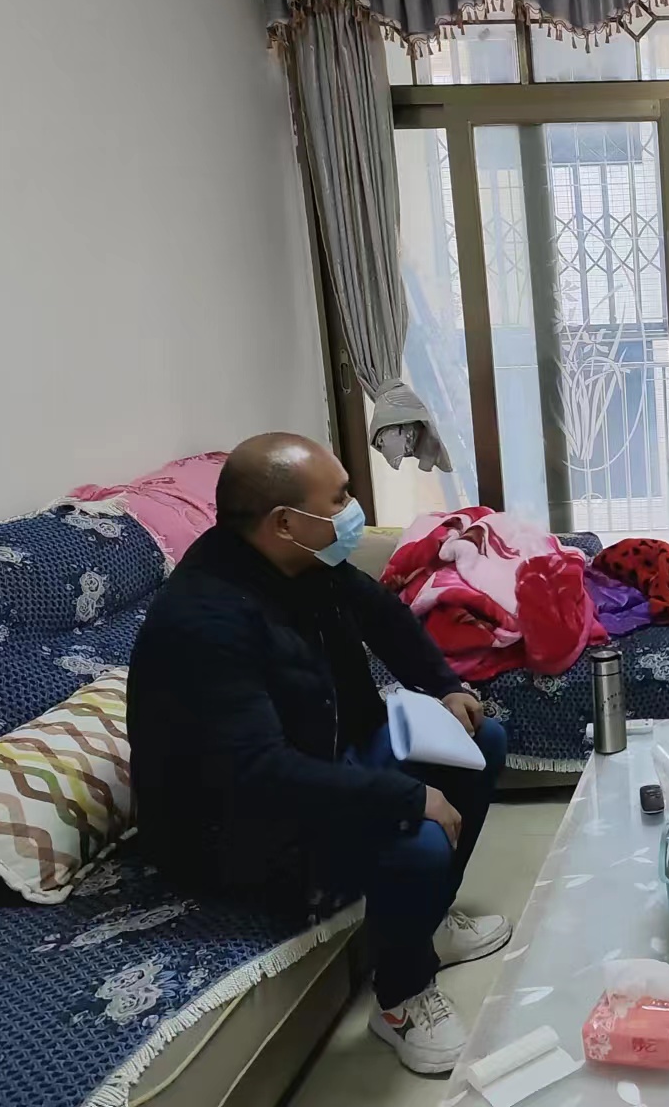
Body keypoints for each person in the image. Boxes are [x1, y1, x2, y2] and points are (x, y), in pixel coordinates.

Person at [128, 433, 510, 1076]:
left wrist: (446, 686)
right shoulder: (203, 623)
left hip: (325, 757)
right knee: (417, 840)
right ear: (284, 521)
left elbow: (384, 616)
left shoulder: (304, 561)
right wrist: (406, 795)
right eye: (340, 498)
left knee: (481, 739)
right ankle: (401, 998)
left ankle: (424, 924)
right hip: (242, 823)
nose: (353, 509)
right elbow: (258, 774)